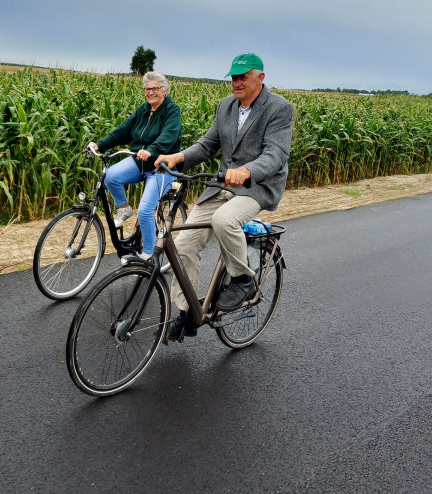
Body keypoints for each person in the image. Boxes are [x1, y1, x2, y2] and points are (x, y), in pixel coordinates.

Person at [155, 53, 293, 341]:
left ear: (260, 78)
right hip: (222, 185)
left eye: (243, 77)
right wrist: (178, 157)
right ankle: (186, 313)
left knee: (224, 220)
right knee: (184, 245)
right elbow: (207, 144)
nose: (236, 82)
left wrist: (246, 170)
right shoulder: (226, 106)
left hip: (257, 186)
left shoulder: (279, 108)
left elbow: (275, 155)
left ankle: (243, 279)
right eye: (233, 77)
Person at [90, 72, 182, 260]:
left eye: (154, 88)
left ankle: (149, 254)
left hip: (162, 167)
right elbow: (123, 130)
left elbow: (168, 136)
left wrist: (152, 149)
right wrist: (100, 144)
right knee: (111, 176)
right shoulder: (144, 110)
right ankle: (123, 208)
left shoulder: (172, 110)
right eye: (147, 89)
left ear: (164, 90)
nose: (150, 93)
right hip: (139, 162)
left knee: (145, 211)